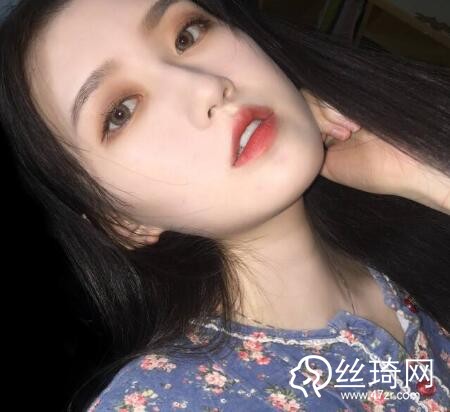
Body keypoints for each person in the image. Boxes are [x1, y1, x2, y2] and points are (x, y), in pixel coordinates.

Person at [0, 0, 449, 410]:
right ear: (120, 222)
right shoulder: (172, 400)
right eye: (122, 111)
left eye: (187, 35)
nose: (205, 87)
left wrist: (426, 175)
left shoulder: (410, 238)